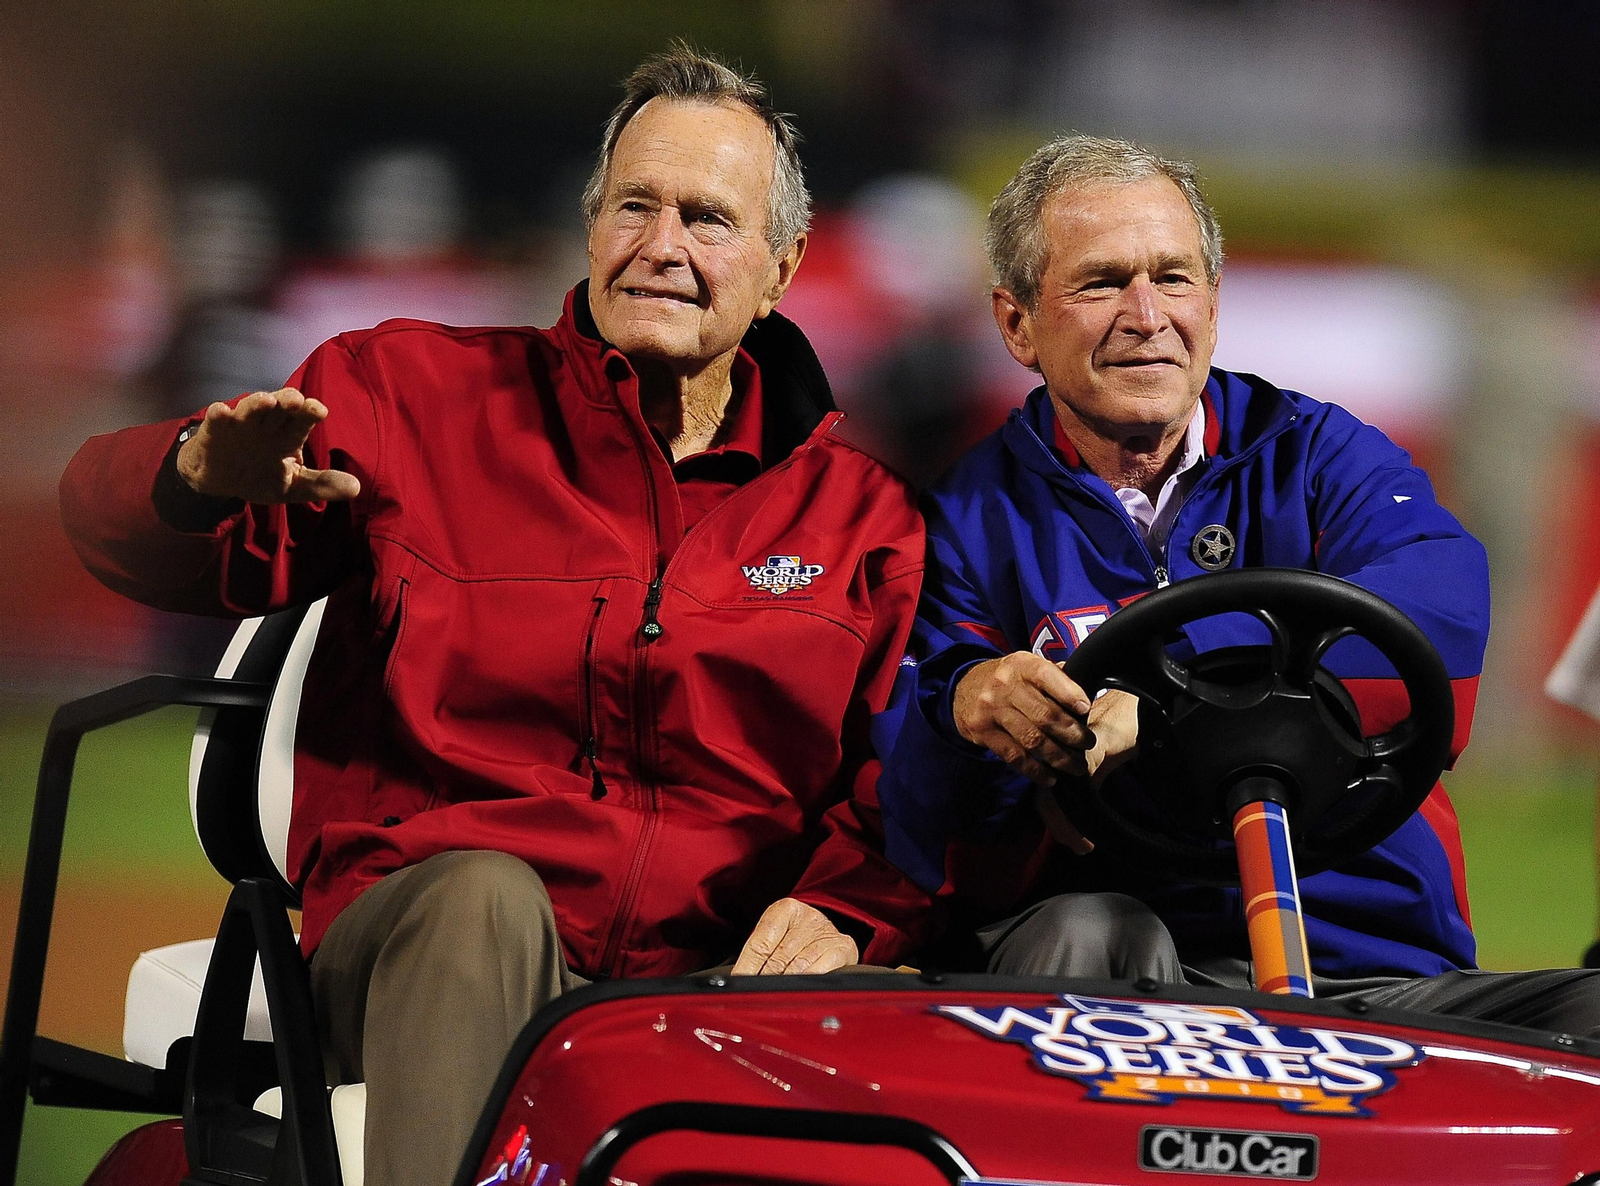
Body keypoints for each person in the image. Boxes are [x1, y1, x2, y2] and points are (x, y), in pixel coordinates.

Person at [61, 47, 929, 1186]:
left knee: (955, 1029)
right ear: (589, 227)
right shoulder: (407, 395)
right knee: (486, 900)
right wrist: (189, 475)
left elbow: (915, 787)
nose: (662, 245)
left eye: (708, 219)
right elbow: (137, 535)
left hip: (706, 979)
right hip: (420, 938)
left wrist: (846, 909)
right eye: (634, 205)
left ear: (781, 268)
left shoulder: (861, 518)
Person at [873, 133, 1600, 1035]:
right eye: (1102, 283)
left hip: (1382, 982)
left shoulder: (1322, 455)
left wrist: (1169, 699)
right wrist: (970, 710)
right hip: (1139, 981)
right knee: (1080, 932)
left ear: (1214, 306)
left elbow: (1441, 627)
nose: (1146, 315)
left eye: (1174, 279)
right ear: (1016, 323)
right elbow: (915, 809)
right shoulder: (960, 524)